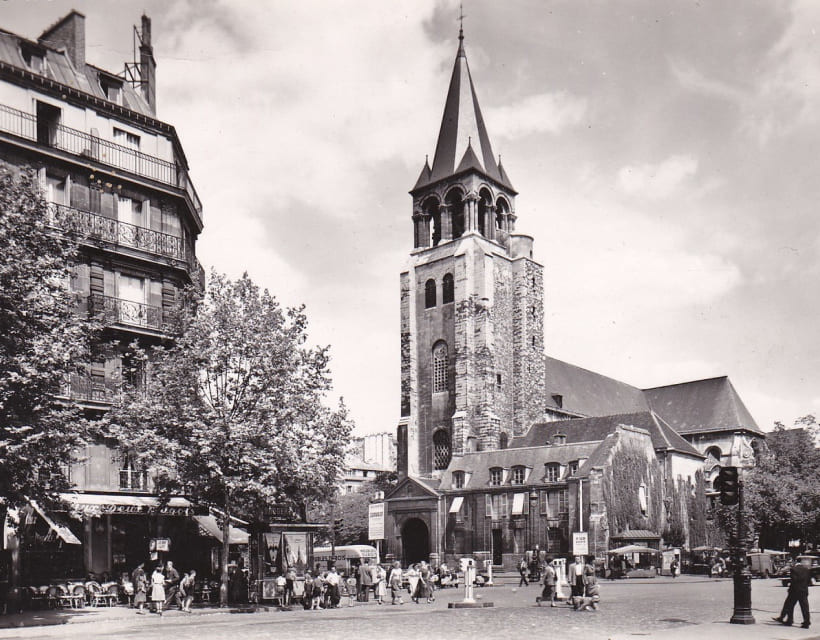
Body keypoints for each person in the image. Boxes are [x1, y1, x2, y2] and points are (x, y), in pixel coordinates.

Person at [774, 556, 812, 629]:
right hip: (804, 590)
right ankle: (806, 622)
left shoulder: (793, 569)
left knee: (790, 606)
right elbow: (808, 580)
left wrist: (790, 589)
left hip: (794, 591)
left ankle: (790, 620)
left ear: (795, 561)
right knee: (805, 607)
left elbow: (794, 580)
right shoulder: (806, 569)